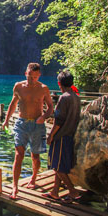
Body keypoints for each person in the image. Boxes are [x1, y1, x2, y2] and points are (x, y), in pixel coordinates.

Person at [2, 63, 54, 199]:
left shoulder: (43, 89)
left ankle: (34, 178)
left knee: (35, 156)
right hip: (21, 123)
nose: (32, 80)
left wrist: (43, 117)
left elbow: (50, 107)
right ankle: (15, 186)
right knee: (19, 154)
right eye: (30, 76)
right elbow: (13, 104)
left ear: (39, 76)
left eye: (35, 77)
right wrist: (6, 120)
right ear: (26, 73)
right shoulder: (18, 86)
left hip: (38, 125)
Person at [43, 71, 81, 203]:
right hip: (70, 135)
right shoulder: (76, 97)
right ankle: (55, 191)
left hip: (61, 136)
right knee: (60, 165)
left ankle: (72, 191)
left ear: (59, 84)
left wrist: (50, 136)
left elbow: (58, 121)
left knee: (57, 166)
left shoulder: (64, 98)